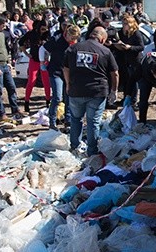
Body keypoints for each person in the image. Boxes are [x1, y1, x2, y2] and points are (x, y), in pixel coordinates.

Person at [62, 26, 119, 156]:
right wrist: (114, 91)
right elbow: (115, 73)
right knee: (93, 122)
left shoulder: (73, 48)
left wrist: (67, 84)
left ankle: (75, 147)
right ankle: (92, 151)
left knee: (76, 119)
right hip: (97, 92)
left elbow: (65, 68)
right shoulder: (105, 51)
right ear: (103, 39)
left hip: (76, 90)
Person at [41, 23, 81, 130]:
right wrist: (43, 62)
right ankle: (52, 122)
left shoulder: (75, 42)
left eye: (75, 39)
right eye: (72, 38)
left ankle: (68, 120)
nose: (73, 40)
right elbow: (43, 49)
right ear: (67, 34)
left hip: (68, 72)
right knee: (57, 97)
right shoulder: (57, 39)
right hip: (56, 71)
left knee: (68, 95)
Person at [18, 19, 52, 113]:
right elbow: (21, 42)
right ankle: (26, 102)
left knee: (46, 82)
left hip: (44, 61)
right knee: (31, 81)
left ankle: (48, 101)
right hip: (34, 60)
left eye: (45, 29)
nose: (43, 31)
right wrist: (26, 54)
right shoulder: (32, 34)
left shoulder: (48, 35)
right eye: (42, 29)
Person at [114, 14, 146, 108]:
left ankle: (134, 100)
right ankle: (126, 97)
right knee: (127, 80)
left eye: (126, 23)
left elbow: (141, 47)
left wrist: (130, 47)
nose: (124, 25)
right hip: (126, 60)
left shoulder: (136, 33)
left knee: (134, 81)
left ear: (131, 24)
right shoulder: (122, 33)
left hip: (135, 60)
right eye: (123, 23)